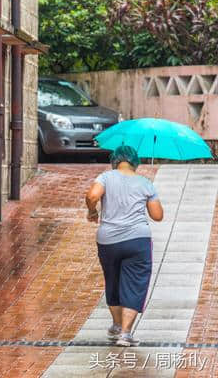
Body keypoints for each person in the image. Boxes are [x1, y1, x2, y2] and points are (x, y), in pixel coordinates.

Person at [85, 145, 163, 347]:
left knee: (113, 280)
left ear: (115, 160)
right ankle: (126, 333)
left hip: (107, 240)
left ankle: (117, 326)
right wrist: (148, 194)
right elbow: (157, 216)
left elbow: (93, 196)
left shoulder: (105, 177)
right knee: (135, 283)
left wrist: (92, 212)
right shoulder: (145, 183)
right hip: (137, 240)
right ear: (135, 162)